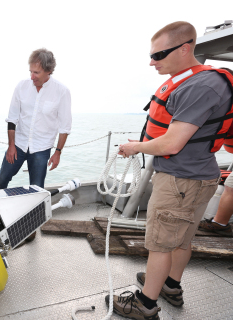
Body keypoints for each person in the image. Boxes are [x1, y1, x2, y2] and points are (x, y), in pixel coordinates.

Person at [106, 22, 233, 320]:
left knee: (161, 245)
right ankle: (170, 285)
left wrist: (136, 147)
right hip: (197, 175)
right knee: (181, 239)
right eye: (152, 55)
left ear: (185, 48)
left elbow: (173, 143)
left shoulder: (199, 87)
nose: (153, 61)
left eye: (159, 54)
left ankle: (145, 304)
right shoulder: (199, 82)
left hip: (180, 179)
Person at [0, 48, 72, 191]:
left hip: (42, 148)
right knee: (0, 181)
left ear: (48, 70)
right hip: (18, 145)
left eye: (36, 72)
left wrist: (58, 152)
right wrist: (11, 145)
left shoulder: (62, 91)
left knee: (37, 189)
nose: (32, 76)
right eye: (30, 71)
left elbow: (65, 127)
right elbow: (12, 119)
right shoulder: (21, 86)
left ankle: (35, 213)